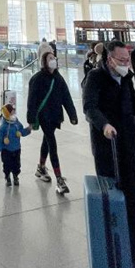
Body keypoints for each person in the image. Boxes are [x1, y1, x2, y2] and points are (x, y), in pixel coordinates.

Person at [83, 39, 135, 268]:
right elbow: (89, 107)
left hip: (127, 147)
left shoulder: (127, 78)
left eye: (127, 60)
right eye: (121, 60)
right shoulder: (95, 78)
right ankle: (108, 256)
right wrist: (104, 124)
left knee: (131, 201)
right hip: (107, 148)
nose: (125, 64)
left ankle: (132, 256)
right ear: (109, 59)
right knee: (110, 201)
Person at [26, 45, 78, 195]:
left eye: (54, 58)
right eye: (50, 58)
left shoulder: (58, 78)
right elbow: (32, 100)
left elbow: (66, 97)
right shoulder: (37, 79)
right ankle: (59, 179)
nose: (53, 60)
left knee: (47, 141)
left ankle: (41, 167)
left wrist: (72, 114)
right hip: (44, 116)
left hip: (55, 115)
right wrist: (31, 119)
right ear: (44, 61)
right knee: (52, 143)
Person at [0, 103, 31, 186]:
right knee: (7, 164)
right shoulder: (3, 126)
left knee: (16, 164)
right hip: (6, 150)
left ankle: (15, 176)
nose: (13, 113)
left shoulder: (16, 123)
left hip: (16, 149)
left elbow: (21, 131)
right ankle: (7, 177)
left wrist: (28, 130)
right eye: (11, 112)